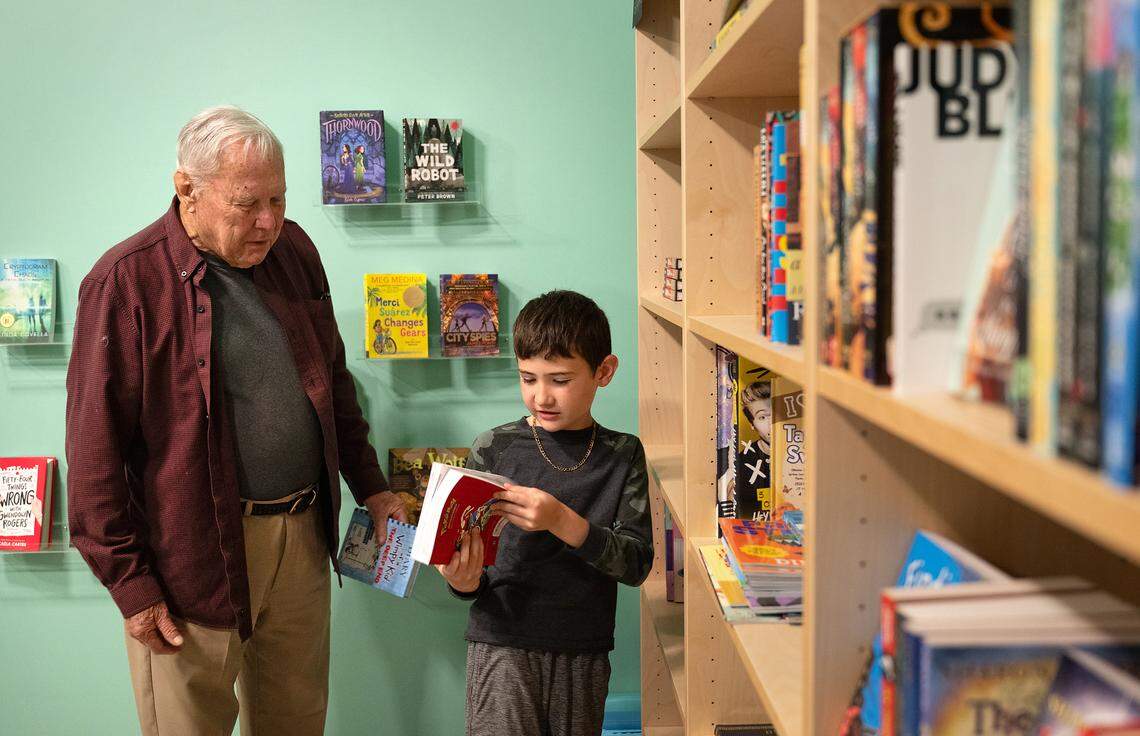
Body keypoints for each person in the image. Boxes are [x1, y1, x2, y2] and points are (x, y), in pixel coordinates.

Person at [65, 105, 406, 736]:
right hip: (188, 558)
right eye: (248, 204)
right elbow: (93, 457)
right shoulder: (123, 284)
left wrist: (373, 486)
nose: (269, 221)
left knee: (297, 724)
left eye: (278, 199)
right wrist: (132, 587)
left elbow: (331, 382)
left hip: (303, 540)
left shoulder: (294, 250)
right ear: (187, 190)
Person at [434, 290, 653, 736]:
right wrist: (461, 580)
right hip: (501, 642)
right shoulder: (493, 447)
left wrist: (560, 521)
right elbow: (471, 571)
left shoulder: (622, 453)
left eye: (560, 379)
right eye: (528, 378)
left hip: (583, 649)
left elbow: (636, 565)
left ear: (604, 372)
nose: (541, 397)